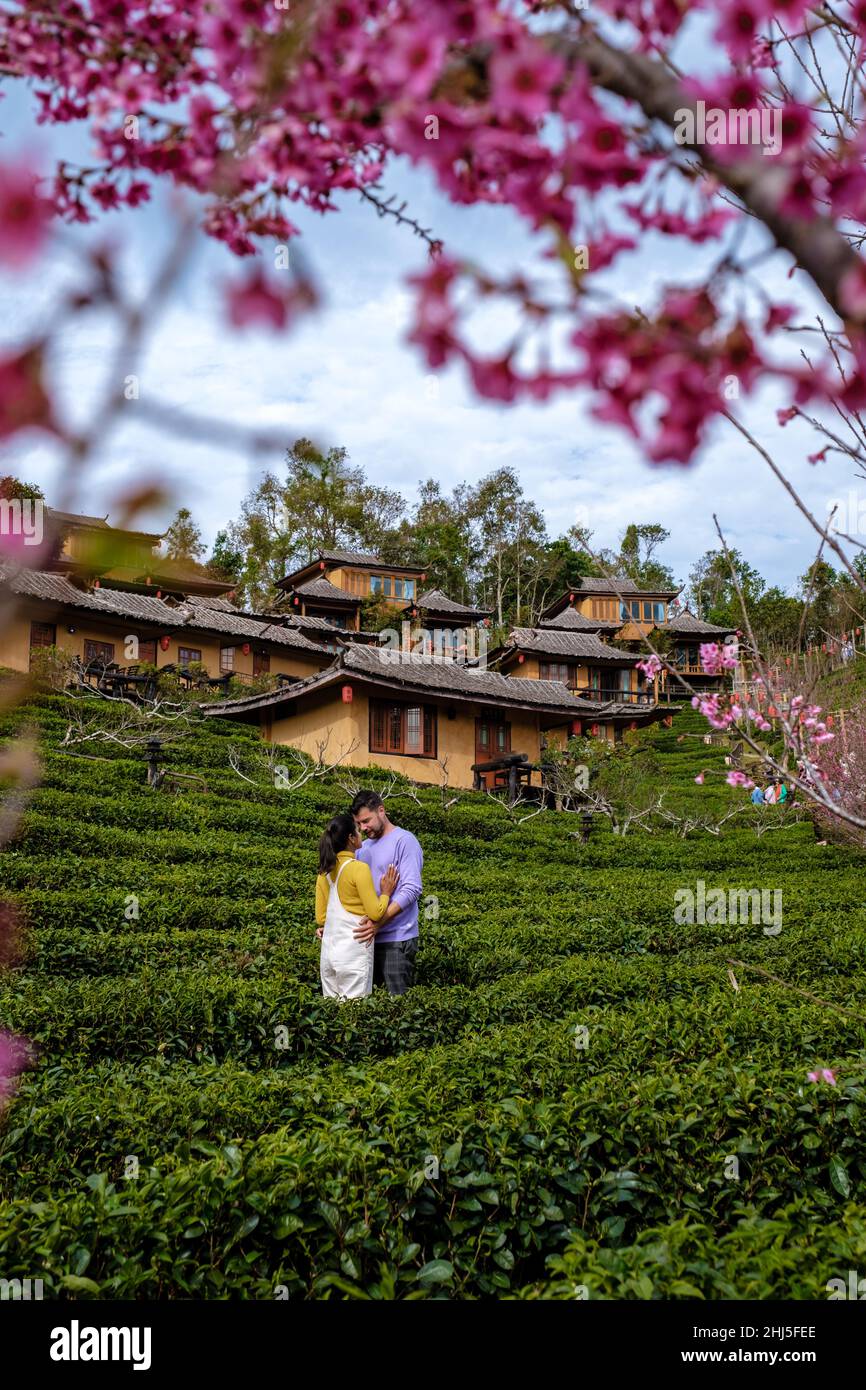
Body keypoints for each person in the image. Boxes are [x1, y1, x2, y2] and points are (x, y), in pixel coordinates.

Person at [315, 812, 399, 1000]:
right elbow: (376, 913)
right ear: (351, 839)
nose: (361, 831)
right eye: (357, 831)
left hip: (329, 955)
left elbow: (321, 919)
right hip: (353, 954)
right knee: (353, 1016)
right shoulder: (358, 868)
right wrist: (386, 893)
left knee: (332, 1012)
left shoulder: (323, 872)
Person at [350, 789, 424, 995]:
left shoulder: (405, 841)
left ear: (381, 810)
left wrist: (378, 923)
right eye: (359, 824)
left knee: (397, 1005)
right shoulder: (361, 848)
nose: (363, 828)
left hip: (397, 939)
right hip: (367, 938)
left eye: (366, 821)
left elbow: (412, 889)